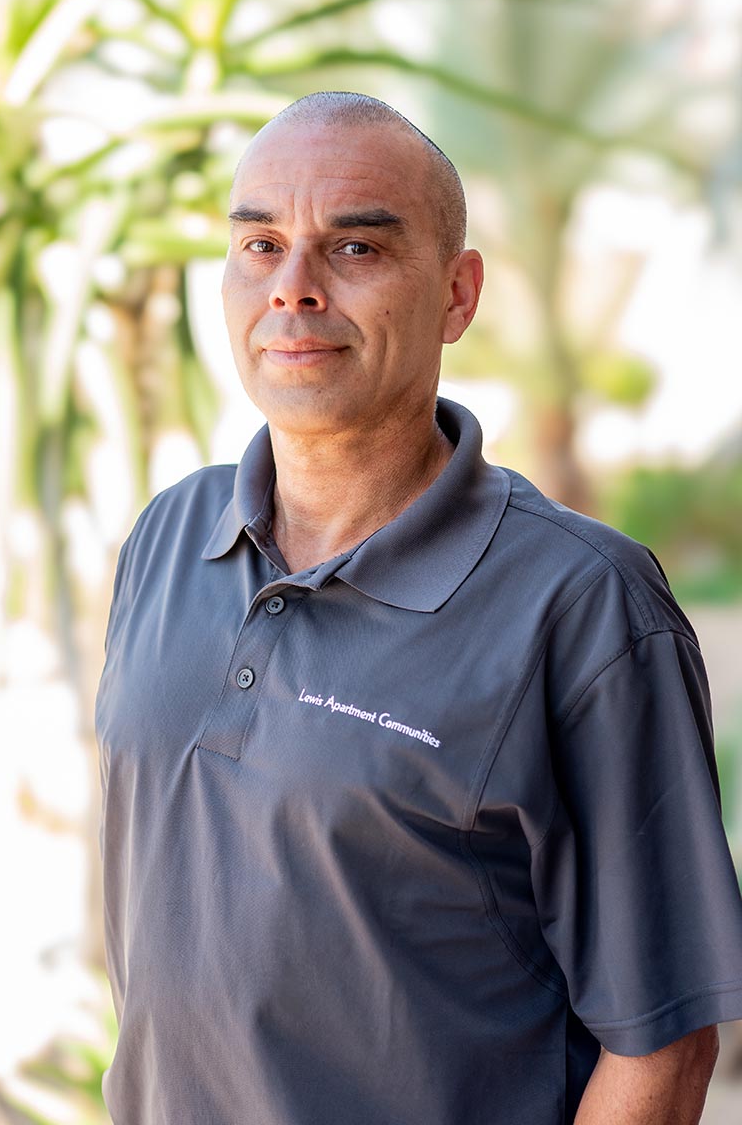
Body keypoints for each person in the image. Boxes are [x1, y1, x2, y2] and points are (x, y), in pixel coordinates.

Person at [95, 91, 742, 1125]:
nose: (293, 288)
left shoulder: (583, 609)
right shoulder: (169, 537)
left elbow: (661, 1047)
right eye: (260, 244)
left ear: (456, 293)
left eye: (354, 248)